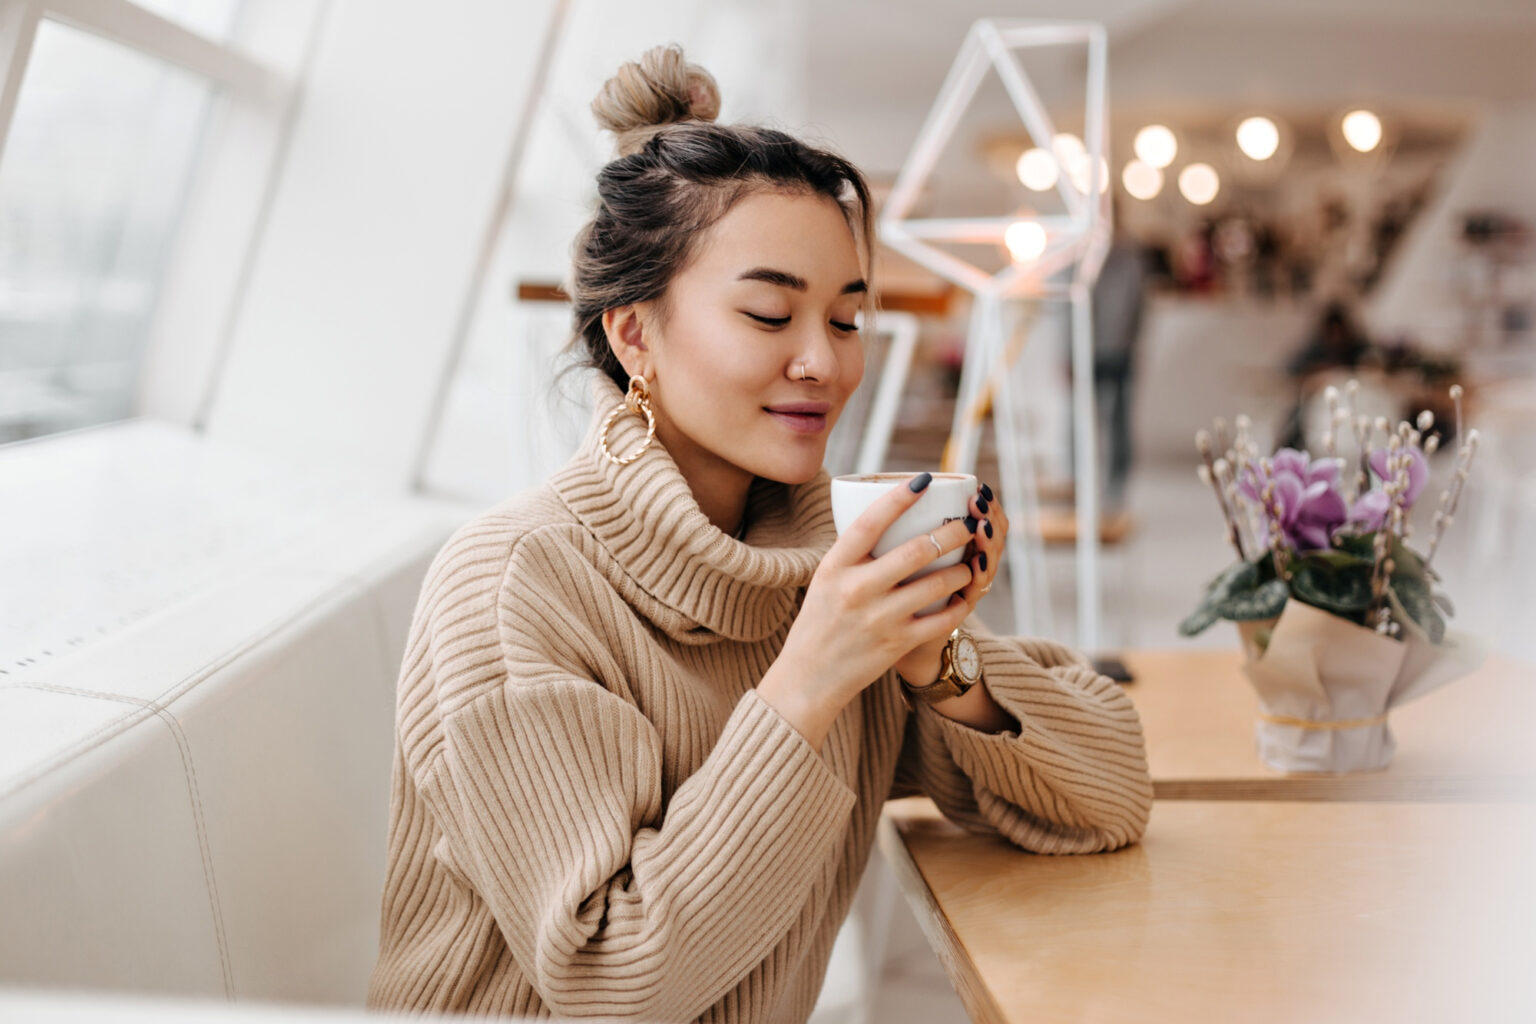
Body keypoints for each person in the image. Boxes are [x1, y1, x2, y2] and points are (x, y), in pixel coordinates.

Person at [366, 45, 1152, 1022]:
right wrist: (811, 680)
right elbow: (613, 978)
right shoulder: (514, 586)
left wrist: (931, 660)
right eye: (770, 313)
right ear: (634, 335)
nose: (822, 361)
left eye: (849, 319)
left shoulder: (820, 562)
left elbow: (1112, 798)